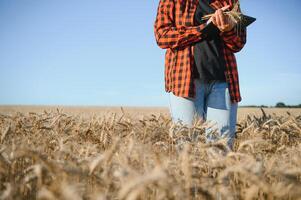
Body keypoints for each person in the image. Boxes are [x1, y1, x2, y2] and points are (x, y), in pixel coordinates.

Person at [153, 0, 247, 150]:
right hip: (185, 81)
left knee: (221, 149)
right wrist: (203, 28)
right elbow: (162, 36)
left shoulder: (230, 2)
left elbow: (239, 42)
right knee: (187, 148)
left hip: (223, 83)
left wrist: (228, 29)